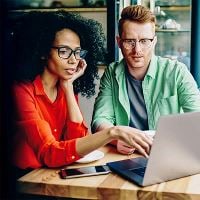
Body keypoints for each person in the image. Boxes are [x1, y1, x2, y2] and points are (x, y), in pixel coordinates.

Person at [10, 10, 152, 172]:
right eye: (64, 51)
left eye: (77, 52)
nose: (73, 59)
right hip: (25, 179)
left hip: (54, 175)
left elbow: (79, 143)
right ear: (42, 51)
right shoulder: (21, 91)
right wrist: (113, 132)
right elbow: (49, 153)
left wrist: (68, 87)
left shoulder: (65, 88)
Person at [92, 5, 200, 155]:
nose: (137, 50)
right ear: (119, 42)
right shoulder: (112, 72)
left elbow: (197, 120)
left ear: (154, 41)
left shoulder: (177, 72)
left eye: (144, 41)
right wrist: (117, 139)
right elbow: (100, 119)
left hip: (168, 153)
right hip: (125, 157)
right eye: (129, 41)